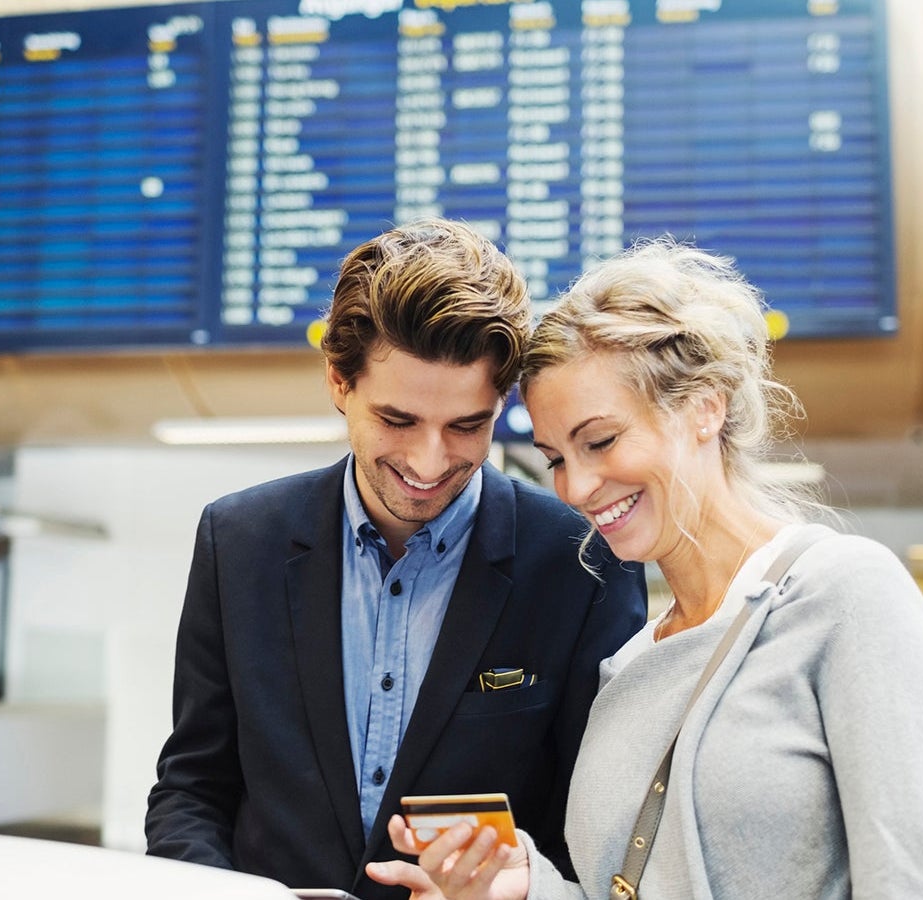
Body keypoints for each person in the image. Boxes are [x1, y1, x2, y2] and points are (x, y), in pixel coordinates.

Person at [366, 239, 923, 899]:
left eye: (599, 441)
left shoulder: (847, 597)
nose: (576, 487)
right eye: (557, 458)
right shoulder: (630, 665)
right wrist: (522, 887)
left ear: (704, 408)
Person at [144, 219, 648, 899]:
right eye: (399, 420)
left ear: (501, 405)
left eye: (467, 426)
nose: (428, 462)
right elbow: (192, 788)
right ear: (338, 381)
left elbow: (597, 830)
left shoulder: (583, 563)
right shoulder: (238, 541)